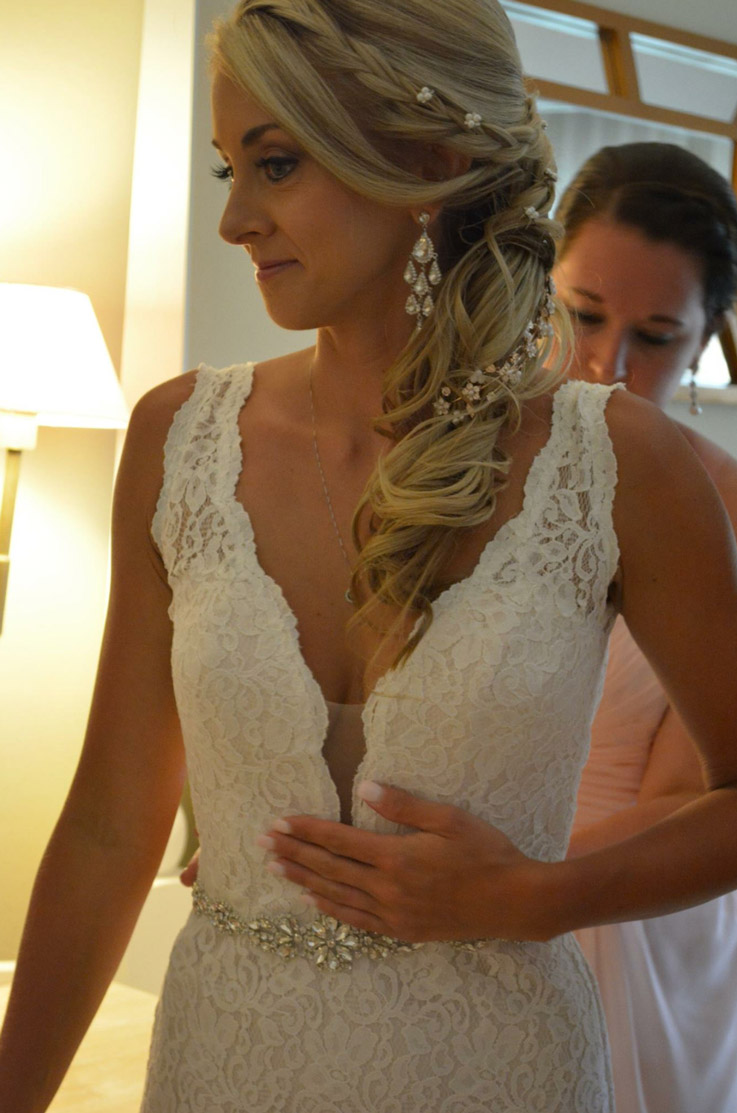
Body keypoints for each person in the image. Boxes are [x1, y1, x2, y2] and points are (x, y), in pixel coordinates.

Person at [1, 4, 737, 1110]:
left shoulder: (623, 464)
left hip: (498, 1069)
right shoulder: (178, 437)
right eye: (226, 171)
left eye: (278, 164)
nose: (234, 221)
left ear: (427, 164)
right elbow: (110, 824)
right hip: (223, 1062)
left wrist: (537, 897)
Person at [553, 141, 737, 1113]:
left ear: (706, 337)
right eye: (581, 314)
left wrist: (486, 886)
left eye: (656, 334)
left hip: (637, 924)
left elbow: (693, 800)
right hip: (450, 882)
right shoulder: (461, 471)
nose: (605, 364)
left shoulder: (725, 516)